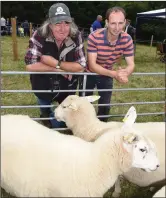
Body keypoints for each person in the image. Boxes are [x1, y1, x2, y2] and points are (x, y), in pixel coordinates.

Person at [25, 3, 86, 128]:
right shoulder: (39, 35)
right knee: (44, 104)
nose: (62, 28)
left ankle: (56, 119)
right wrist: (59, 69)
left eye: (66, 23)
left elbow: (81, 66)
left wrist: (55, 63)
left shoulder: (76, 35)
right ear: (50, 24)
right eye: (58, 23)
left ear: (71, 23)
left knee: (59, 123)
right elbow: (30, 65)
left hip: (67, 86)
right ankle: (45, 114)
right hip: (43, 84)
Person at [84, 6, 135, 122]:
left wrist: (125, 73)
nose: (117, 28)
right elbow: (92, 65)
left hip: (108, 74)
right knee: (85, 104)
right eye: (113, 23)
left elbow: (131, 64)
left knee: (105, 106)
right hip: (88, 74)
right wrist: (115, 74)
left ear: (125, 22)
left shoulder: (127, 39)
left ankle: (102, 131)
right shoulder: (94, 37)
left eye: (120, 23)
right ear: (106, 22)